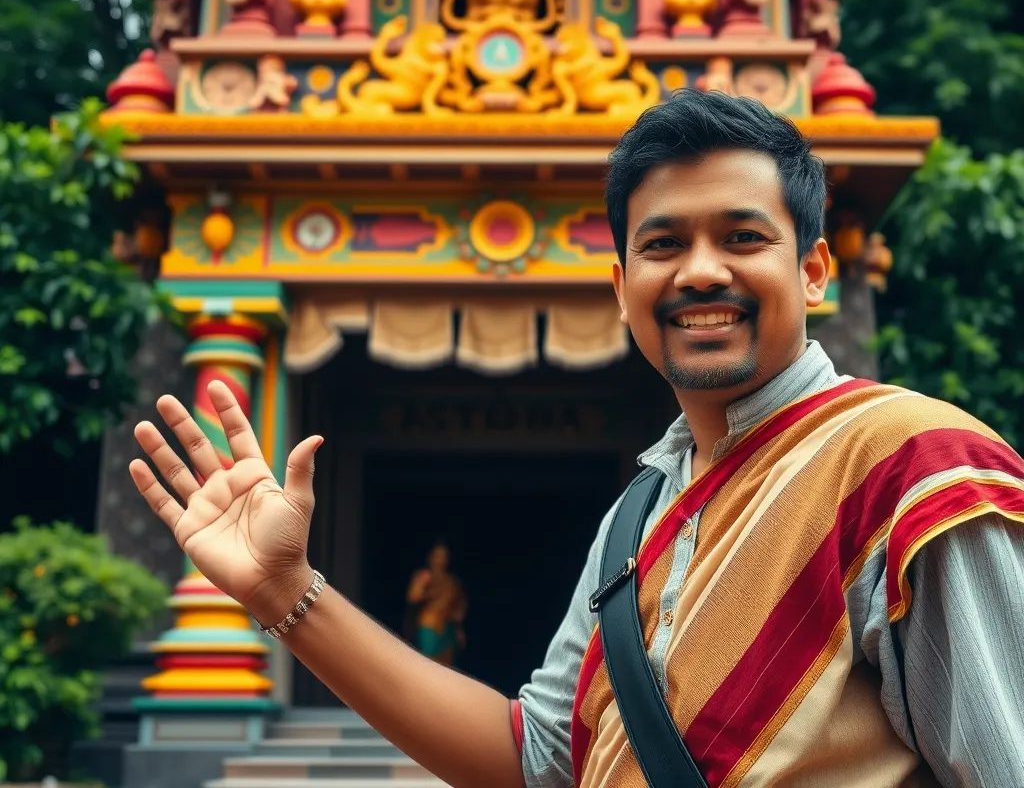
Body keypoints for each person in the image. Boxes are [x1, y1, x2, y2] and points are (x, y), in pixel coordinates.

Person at [129, 89, 1024, 788]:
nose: (701, 269)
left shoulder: (917, 468)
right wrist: (289, 591)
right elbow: (535, 762)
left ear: (815, 268)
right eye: (663, 243)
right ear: (621, 282)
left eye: (743, 236)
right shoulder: (636, 516)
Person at [405, 542, 467, 667]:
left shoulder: (452, 582)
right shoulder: (424, 576)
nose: (441, 560)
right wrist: (425, 589)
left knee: (446, 668)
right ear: (431, 558)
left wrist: (459, 629)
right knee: (429, 664)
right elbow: (413, 597)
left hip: (448, 629)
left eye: (444, 556)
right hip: (430, 625)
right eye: (438, 556)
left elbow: (460, 606)